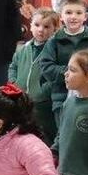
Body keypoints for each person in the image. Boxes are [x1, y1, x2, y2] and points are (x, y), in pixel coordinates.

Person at [38, 0, 88, 126]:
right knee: (64, 133)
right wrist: (73, 73)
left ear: (85, 17)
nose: (73, 17)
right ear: (61, 17)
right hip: (61, 97)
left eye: (78, 12)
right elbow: (46, 67)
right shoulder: (54, 41)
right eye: (68, 12)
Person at [8, 8, 60, 145]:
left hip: (43, 103)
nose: (41, 30)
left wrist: (44, 91)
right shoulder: (23, 48)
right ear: (30, 26)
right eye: (37, 25)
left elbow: (55, 75)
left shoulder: (55, 50)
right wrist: (14, 83)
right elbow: (13, 66)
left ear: (55, 29)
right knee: (25, 134)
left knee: (46, 134)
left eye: (46, 26)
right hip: (22, 100)